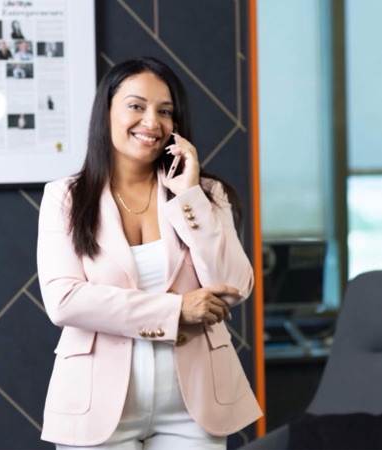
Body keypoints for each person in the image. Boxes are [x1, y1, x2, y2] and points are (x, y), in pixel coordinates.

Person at [37, 56, 262, 449]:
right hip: (97, 404)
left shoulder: (206, 194)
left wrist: (188, 196)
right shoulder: (65, 198)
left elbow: (234, 286)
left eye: (165, 111)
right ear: (106, 112)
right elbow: (65, 301)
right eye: (136, 106)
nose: (152, 122)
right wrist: (176, 310)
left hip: (195, 406)